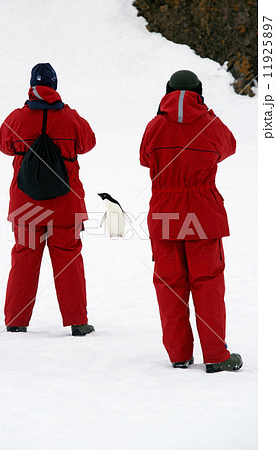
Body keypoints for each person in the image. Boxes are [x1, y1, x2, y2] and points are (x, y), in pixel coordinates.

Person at [139, 70, 242, 373]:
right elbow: (230, 146)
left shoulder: (155, 126)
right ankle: (215, 355)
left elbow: (145, 158)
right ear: (199, 92)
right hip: (202, 212)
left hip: (165, 212)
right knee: (207, 283)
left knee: (170, 284)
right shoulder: (210, 124)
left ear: (167, 91)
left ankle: (179, 354)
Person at [0, 63, 96, 336]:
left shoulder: (16, 118)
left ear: (32, 86)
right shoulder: (71, 118)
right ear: (54, 86)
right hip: (66, 207)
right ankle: (77, 322)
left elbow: (3, 145)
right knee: (69, 261)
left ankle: (16, 320)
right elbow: (89, 143)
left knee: (24, 259)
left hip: (26, 207)